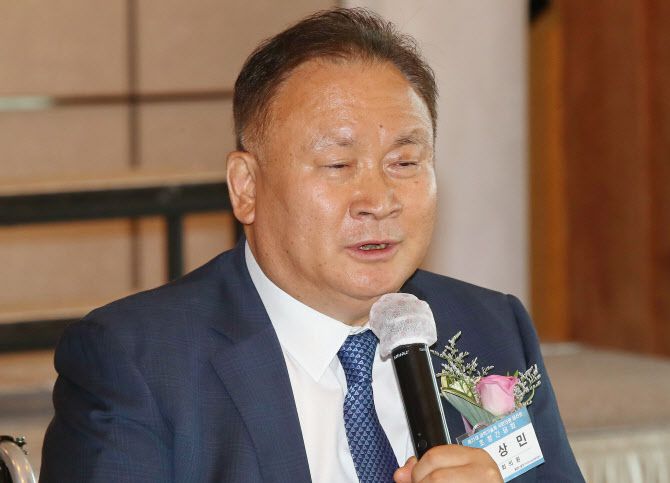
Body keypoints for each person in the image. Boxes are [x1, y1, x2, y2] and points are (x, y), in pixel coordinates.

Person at [40, 8, 583, 483]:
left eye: (405, 162)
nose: (379, 200)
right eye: (338, 164)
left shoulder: (492, 327)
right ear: (246, 188)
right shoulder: (139, 363)